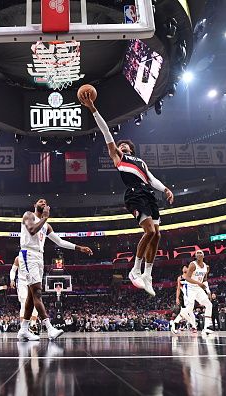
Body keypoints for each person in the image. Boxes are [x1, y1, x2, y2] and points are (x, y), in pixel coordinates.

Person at [79, 92, 174, 296]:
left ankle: (147, 274)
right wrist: (93, 109)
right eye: (119, 145)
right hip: (134, 195)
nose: (121, 146)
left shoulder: (140, 162)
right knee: (149, 232)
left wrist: (165, 189)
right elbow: (107, 133)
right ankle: (134, 269)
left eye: (125, 145)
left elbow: (151, 178)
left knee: (157, 234)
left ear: (131, 148)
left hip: (148, 193)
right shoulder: (119, 158)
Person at [17, 198, 93, 341]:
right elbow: (32, 230)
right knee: (37, 292)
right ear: (35, 206)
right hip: (28, 254)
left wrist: (79, 248)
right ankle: (49, 328)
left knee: (31, 296)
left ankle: (24, 330)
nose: (43, 203)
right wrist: (45, 218)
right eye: (40, 201)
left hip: (39, 257)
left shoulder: (46, 225)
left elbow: (59, 242)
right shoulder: (28, 215)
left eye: (45, 202)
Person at [183, 250, 214, 335]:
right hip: (190, 288)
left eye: (201, 253)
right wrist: (199, 283)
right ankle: (179, 322)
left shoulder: (206, 267)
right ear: (195, 256)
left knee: (209, 304)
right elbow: (187, 278)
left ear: (203, 256)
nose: (199, 254)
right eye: (197, 253)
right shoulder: (193, 264)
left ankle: (206, 327)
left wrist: (208, 291)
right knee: (189, 308)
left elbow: (205, 280)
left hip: (199, 289)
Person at [10, 256, 39, 333]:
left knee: (36, 302)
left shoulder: (34, 256)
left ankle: (33, 324)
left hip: (33, 281)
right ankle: (23, 327)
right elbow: (13, 270)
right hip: (22, 282)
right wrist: (12, 279)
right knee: (23, 303)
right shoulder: (18, 258)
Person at [169, 266, 197, 334]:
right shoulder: (180, 278)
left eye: (186, 267)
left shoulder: (191, 276)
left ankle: (175, 322)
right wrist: (177, 298)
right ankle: (194, 326)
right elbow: (178, 289)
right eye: (183, 267)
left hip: (191, 297)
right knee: (188, 312)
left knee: (188, 312)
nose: (184, 268)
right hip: (184, 298)